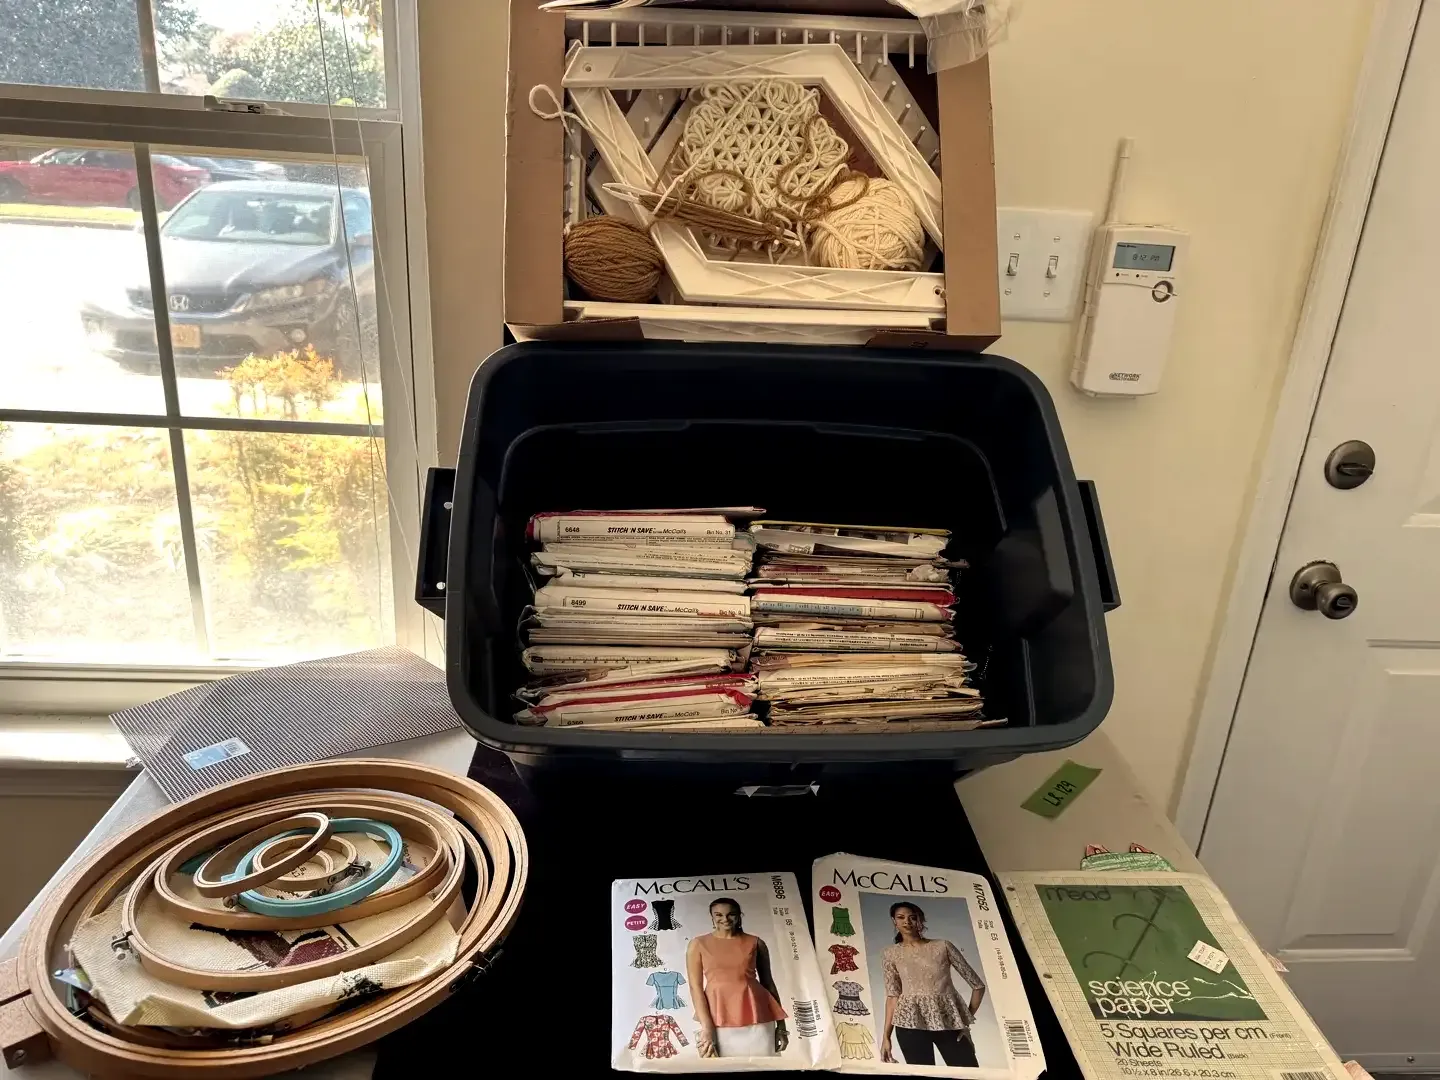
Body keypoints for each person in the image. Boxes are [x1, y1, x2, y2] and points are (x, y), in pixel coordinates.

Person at [880, 901, 986, 1067]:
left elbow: (978, 986)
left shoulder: (943, 946)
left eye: (912, 917)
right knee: (924, 1075)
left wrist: (964, 1021)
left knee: (968, 1072)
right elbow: (893, 996)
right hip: (909, 1024)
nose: (907, 921)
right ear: (894, 921)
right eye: (901, 917)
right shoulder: (890, 953)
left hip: (948, 1021)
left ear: (920, 920)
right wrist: (886, 1037)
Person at [686, 897, 789, 1057]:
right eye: (719, 915)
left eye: (731, 914)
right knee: (720, 1066)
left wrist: (781, 1027)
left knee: (763, 1065)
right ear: (712, 917)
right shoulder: (698, 944)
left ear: (739, 915)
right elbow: (695, 988)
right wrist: (706, 1027)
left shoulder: (756, 943)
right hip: (717, 1015)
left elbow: (768, 983)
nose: (725, 919)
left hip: (758, 1014)